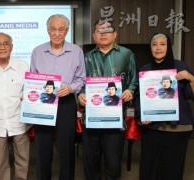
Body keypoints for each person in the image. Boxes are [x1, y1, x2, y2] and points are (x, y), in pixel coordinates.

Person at [78, 20, 138, 180]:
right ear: (93, 35)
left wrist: (129, 90)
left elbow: (134, 80)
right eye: (99, 31)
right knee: (91, 163)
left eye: (107, 30)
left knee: (113, 163)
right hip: (91, 118)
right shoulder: (86, 58)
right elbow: (80, 83)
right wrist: (81, 95)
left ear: (115, 34)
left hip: (116, 119)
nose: (103, 33)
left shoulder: (126, 54)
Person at [30, 14, 86, 180]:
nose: (56, 33)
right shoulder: (37, 51)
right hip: (43, 104)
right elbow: (32, 77)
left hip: (66, 103)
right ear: (47, 30)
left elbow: (81, 79)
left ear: (67, 31)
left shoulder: (76, 51)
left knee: (66, 147)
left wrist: (71, 88)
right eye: (53, 29)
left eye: (61, 29)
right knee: (42, 148)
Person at [133, 33, 194, 180]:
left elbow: (192, 95)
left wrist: (190, 77)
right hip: (151, 127)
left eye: (162, 44)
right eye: (154, 44)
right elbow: (138, 98)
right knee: (149, 167)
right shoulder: (145, 70)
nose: (158, 48)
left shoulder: (180, 67)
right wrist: (142, 115)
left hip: (178, 128)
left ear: (168, 46)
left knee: (171, 168)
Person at [0, 32, 31, 180]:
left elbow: (29, 89)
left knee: (23, 160)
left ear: (12, 46)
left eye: (6, 43)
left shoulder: (23, 66)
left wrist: (26, 95)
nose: (2, 47)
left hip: (19, 120)